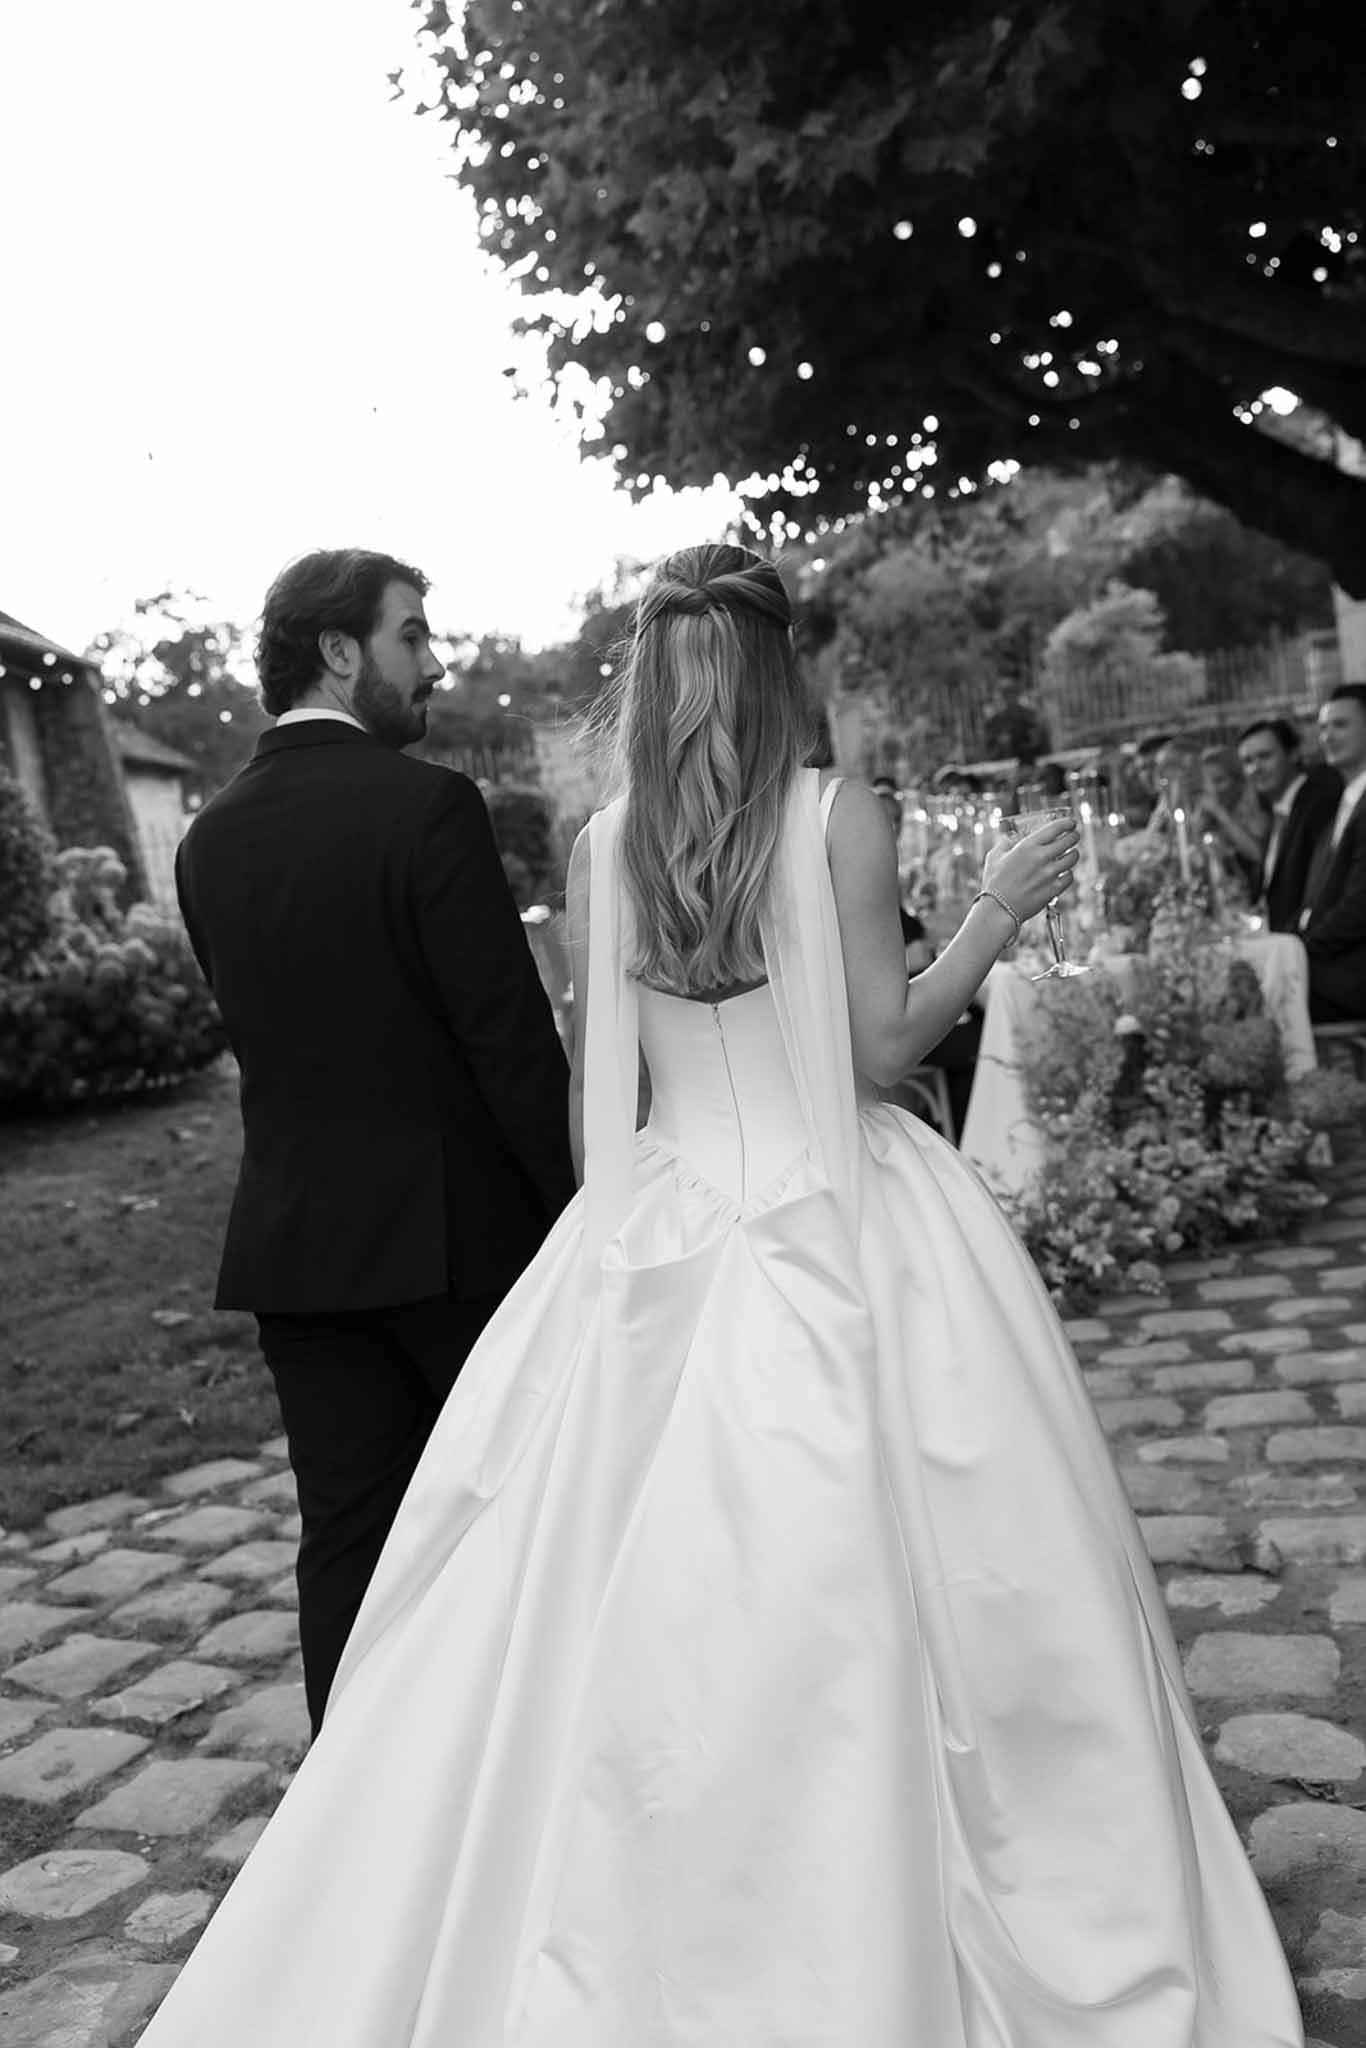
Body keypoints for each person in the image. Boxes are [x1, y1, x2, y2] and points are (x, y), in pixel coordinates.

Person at [143, 544, 1304, 2048]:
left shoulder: (603, 846)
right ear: (777, 669)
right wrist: (994, 916)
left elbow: (589, 1125)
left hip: (657, 1222)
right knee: (953, 1566)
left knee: (567, 1577)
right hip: (851, 1223)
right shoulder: (837, 817)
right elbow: (883, 1057)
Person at [174, 548, 575, 1734]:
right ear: (340, 650)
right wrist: (582, 1209)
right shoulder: (428, 807)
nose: (434, 662)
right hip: (460, 1248)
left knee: (346, 1542)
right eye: (412, 636)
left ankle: (345, 1823)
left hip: (300, 1251)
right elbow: (507, 1043)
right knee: (521, 1524)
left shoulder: (208, 841)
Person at [1237, 716, 1341, 931]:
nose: (1256, 768)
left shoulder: (1319, 803)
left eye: (1264, 756)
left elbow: (1320, 889)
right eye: (1248, 761)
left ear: (1293, 754)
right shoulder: (1278, 810)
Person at [1300, 683, 1366, 1023]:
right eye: (1323, 727)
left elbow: (1358, 905)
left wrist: (1301, 951)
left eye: (1340, 725)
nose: (1327, 736)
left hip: (1351, 977)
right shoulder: (1345, 799)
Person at [1194, 742, 1268, 899]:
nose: (1213, 789)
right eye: (1208, 783)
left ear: (1238, 780)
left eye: (1220, 781)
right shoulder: (1205, 812)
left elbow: (1257, 854)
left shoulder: (1257, 806)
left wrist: (1220, 813)